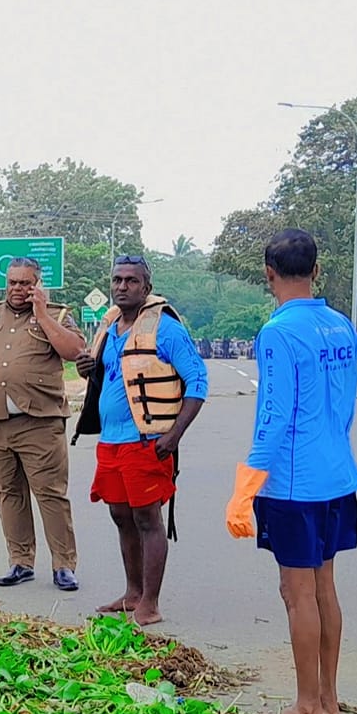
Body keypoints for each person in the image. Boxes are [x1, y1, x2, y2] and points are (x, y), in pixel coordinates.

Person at [226, 230, 357, 714]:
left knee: (296, 591)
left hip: (293, 483)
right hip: (336, 473)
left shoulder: (278, 333)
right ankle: (327, 697)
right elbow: (346, 402)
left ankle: (306, 709)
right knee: (324, 585)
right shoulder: (340, 326)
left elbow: (274, 415)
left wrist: (246, 487)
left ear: (269, 274)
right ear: (316, 270)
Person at [71, 254, 207, 624]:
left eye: (131, 281)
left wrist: (174, 435)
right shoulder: (110, 325)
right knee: (120, 515)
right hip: (111, 441)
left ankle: (151, 602)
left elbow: (198, 382)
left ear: (146, 287)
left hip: (148, 440)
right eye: (117, 280)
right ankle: (132, 593)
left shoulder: (165, 329)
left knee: (148, 519)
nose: (121, 287)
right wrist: (88, 369)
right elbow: (113, 377)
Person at [0, 256, 87, 590]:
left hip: (40, 421)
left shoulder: (57, 316)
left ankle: (63, 565)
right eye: (13, 282)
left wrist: (41, 315)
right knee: (7, 492)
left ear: (38, 284)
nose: (18, 289)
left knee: (50, 494)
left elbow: (75, 351)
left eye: (26, 283)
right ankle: (20, 561)